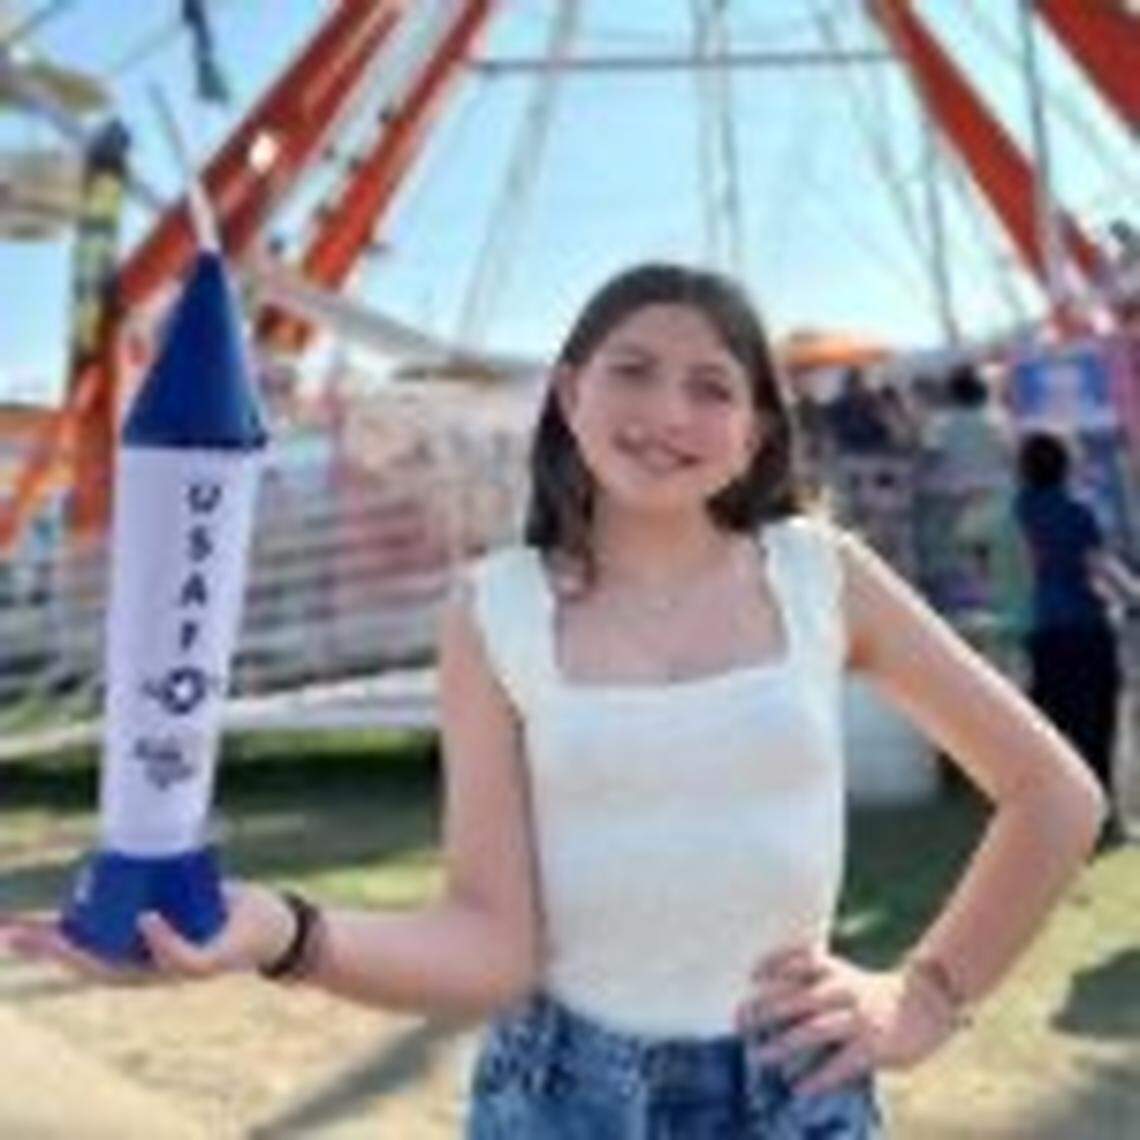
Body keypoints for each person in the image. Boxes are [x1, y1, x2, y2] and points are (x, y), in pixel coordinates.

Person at [1, 264, 1106, 1138]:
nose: (667, 409)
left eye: (713, 385)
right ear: (569, 391)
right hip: (558, 1095)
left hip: (793, 1089)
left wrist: (923, 999)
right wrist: (283, 933)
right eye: (631, 369)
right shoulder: (493, 613)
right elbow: (489, 944)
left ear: (758, 433)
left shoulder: (824, 577)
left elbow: (1053, 793)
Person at [1014, 431, 1140, 847]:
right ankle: (1104, 815)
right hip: (1086, 627)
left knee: (1050, 727)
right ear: (1066, 466)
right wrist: (1134, 597)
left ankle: (1050, 816)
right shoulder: (1079, 510)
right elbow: (1099, 565)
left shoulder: (1018, 509)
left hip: (1041, 629)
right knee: (1098, 727)